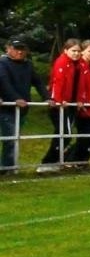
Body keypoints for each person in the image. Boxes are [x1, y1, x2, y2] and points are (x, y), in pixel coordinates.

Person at [1, 37, 50, 174]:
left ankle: (7, 167)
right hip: (6, 108)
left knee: (13, 139)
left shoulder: (28, 65)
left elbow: (38, 82)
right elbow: (4, 82)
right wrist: (15, 98)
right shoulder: (3, 63)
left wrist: (47, 97)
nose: (20, 52)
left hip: (21, 109)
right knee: (10, 138)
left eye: (22, 49)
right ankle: (8, 168)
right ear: (8, 49)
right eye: (17, 49)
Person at [39, 38, 83, 172]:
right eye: (73, 51)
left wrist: (77, 99)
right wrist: (58, 100)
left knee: (64, 133)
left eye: (78, 51)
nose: (76, 53)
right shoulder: (62, 62)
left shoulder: (76, 65)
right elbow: (58, 82)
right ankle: (48, 162)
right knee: (65, 133)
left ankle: (54, 161)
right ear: (65, 50)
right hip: (61, 105)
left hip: (70, 104)